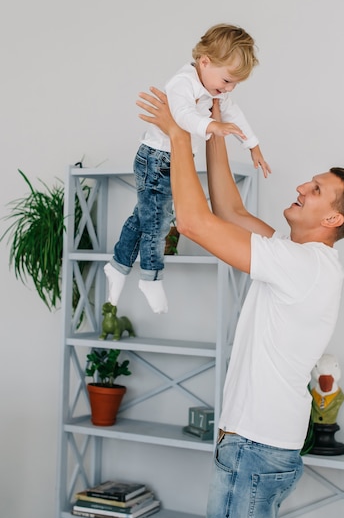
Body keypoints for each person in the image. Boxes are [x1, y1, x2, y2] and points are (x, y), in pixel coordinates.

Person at [136, 86, 344, 518]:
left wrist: (179, 134)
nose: (301, 186)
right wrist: (212, 124)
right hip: (261, 448)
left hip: (254, 449)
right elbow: (228, 209)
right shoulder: (298, 258)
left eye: (316, 189)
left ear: (332, 219)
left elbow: (193, 221)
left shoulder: (302, 265)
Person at [104, 24, 270, 315]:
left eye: (235, 85)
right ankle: (150, 277)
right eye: (227, 80)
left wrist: (252, 144)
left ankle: (117, 267)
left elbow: (234, 113)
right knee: (159, 222)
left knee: (144, 218)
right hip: (156, 158)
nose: (228, 89)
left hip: (173, 160)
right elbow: (181, 116)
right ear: (205, 62)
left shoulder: (212, 86)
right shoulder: (183, 82)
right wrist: (212, 126)